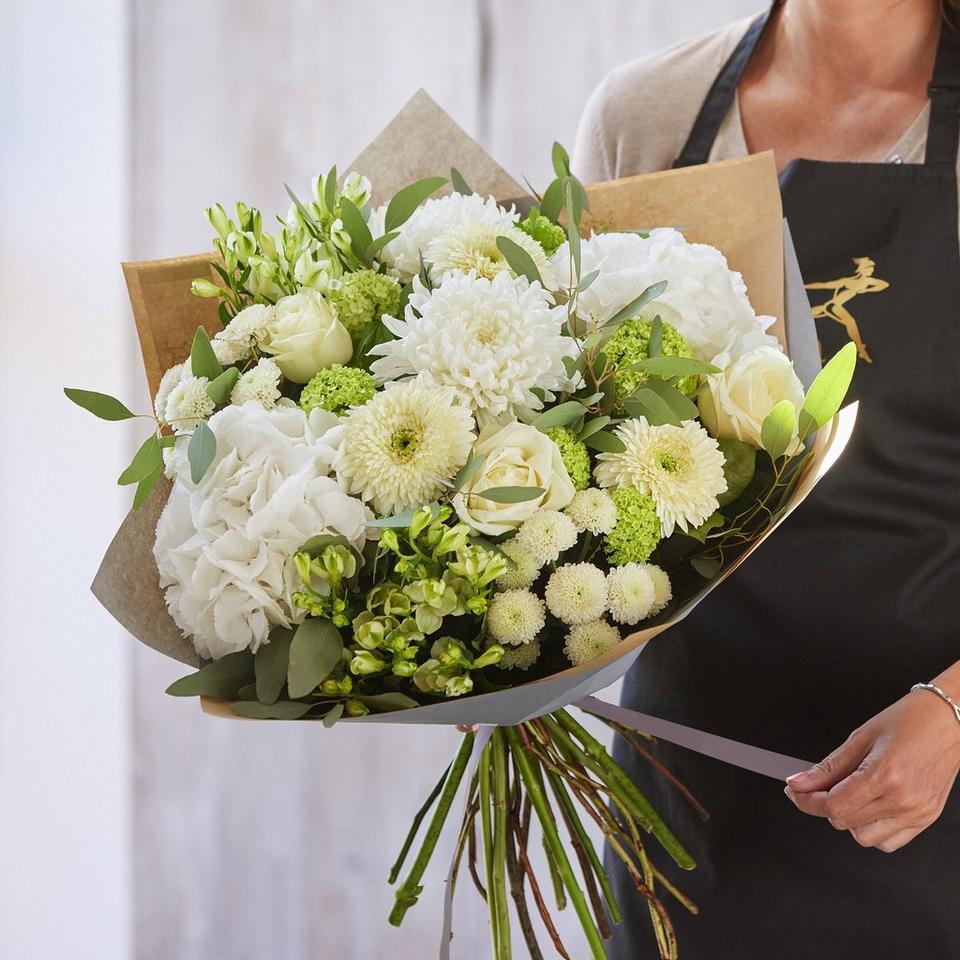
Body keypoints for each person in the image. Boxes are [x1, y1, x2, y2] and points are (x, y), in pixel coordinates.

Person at [572, 2, 960, 956]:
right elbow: (571, 440)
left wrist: (956, 710)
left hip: (929, 787)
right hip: (685, 791)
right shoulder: (648, 113)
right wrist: (495, 653)